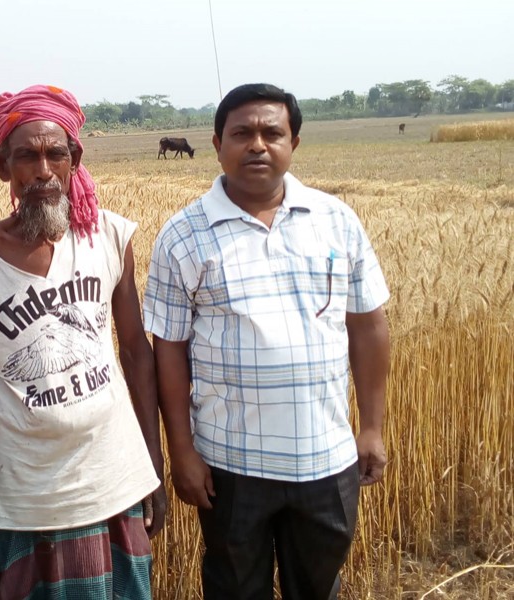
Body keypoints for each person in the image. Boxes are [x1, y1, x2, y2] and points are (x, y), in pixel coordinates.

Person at [143, 83, 390, 600]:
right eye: (242, 133)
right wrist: (182, 452)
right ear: (216, 144)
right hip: (231, 465)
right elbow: (168, 349)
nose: (257, 144)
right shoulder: (183, 235)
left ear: (293, 143)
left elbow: (367, 323)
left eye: (271, 133)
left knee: (318, 587)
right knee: (235, 589)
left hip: (326, 457)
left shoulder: (336, 221)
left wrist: (371, 427)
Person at [0, 84, 166, 600]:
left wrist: (152, 460)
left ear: (74, 160)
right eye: (27, 156)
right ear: (3, 166)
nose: (42, 170)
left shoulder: (109, 237)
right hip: (24, 490)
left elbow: (135, 350)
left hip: (114, 479)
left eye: (55, 154)